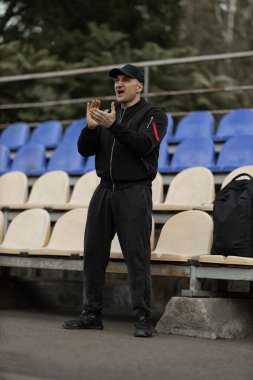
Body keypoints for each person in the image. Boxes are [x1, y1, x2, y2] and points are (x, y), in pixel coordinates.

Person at [63, 64, 167, 337]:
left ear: (139, 86)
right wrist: (91, 127)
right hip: (104, 190)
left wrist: (115, 126)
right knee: (94, 254)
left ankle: (143, 318)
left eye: (126, 79)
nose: (119, 84)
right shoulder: (109, 115)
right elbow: (85, 151)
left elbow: (144, 145)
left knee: (137, 256)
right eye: (116, 80)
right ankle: (91, 314)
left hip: (134, 191)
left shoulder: (154, 115)